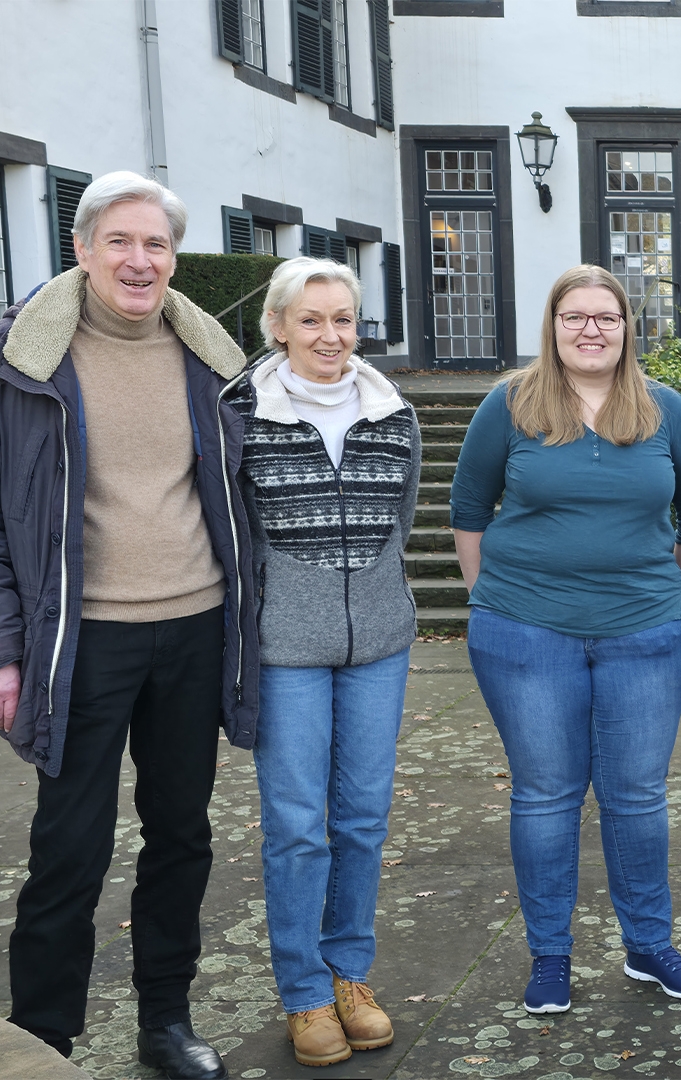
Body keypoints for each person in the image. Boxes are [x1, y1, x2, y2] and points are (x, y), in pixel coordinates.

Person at [0, 172, 256, 1080]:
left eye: (156, 245)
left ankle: (166, 1023)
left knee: (182, 836)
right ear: (81, 248)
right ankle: (40, 1037)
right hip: (81, 643)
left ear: (173, 258)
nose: (139, 261)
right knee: (68, 846)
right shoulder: (11, 355)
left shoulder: (208, 355)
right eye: (121, 241)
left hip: (194, 631)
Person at [450, 264, 681, 1017]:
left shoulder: (664, 409)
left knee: (636, 797)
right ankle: (550, 955)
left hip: (643, 634)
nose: (591, 329)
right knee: (545, 797)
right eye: (576, 317)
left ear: (629, 328)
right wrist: (492, 598)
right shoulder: (511, 405)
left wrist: (676, 600)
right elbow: (468, 509)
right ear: (553, 325)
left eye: (606, 316)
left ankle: (648, 946)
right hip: (527, 635)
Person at [227, 257, 421, 1067]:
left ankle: (350, 974)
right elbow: (235, 530)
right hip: (286, 649)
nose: (329, 336)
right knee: (299, 827)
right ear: (277, 327)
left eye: (342, 319)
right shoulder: (241, 413)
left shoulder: (393, 412)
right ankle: (304, 992)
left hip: (378, 643)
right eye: (309, 320)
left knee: (363, 821)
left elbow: (400, 523)